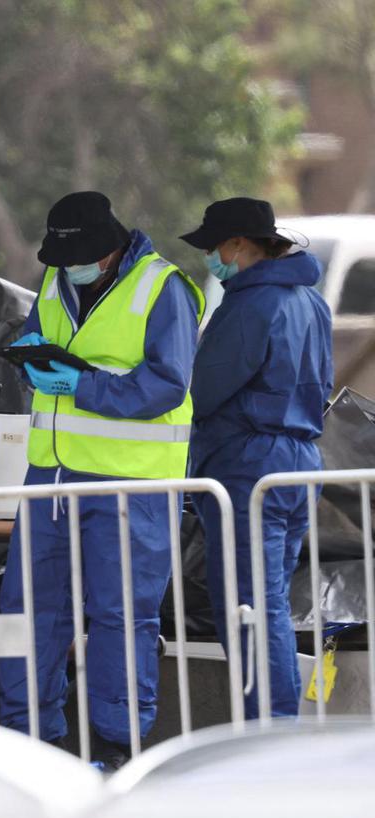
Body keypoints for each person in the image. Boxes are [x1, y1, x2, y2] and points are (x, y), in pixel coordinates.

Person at [0, 191, 204, 770]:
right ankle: (26, 739)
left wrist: (76, 385)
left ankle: (119, 749)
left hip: (129, 483)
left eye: (80, 257)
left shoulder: (163, 288)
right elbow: (32, 347)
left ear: (111, 248)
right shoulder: (55, 280)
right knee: (27, 609)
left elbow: (166, 385)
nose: (69, 268)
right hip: (52, 475)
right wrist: (42, 365)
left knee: (120, 614)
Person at [180, 197, 333, 719]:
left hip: (249, 465)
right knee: (270, 606)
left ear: (239, 244)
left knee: (249, 607)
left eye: (215, 246)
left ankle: (271, 731)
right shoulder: (311, 302)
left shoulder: (250, 305)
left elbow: (201, 392)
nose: (212, 258)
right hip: (299, 462)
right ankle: (278, 726)